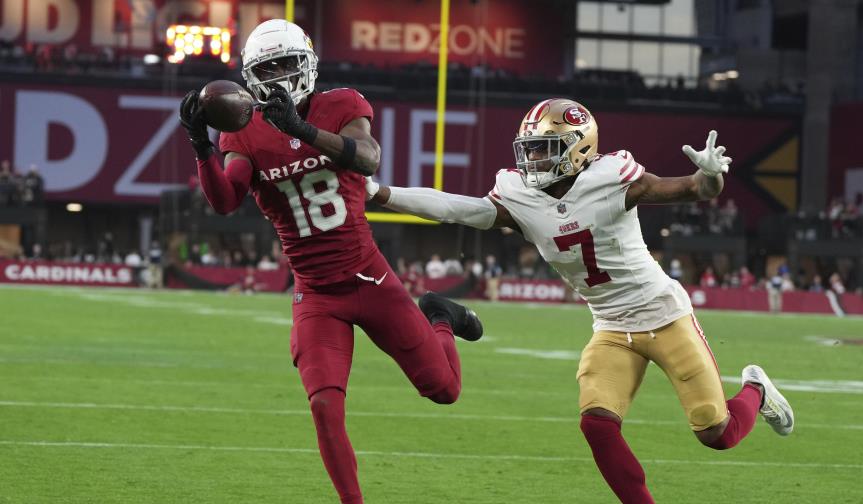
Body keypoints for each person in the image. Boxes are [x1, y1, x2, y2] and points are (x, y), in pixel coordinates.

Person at [367, 98, 794, 503]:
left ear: (579, 148)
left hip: (664, 316)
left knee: (715, 432)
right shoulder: (521, 195)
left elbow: (694, 189)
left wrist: (712, 175)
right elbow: (456, 208)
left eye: (544, 149)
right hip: (610, 326)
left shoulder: (612, 178)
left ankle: (756, 388)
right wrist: (382, 193)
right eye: (529, 149)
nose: (531, 159)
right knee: (597, 425)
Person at [177, 19, 482, 504]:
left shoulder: (340, 104)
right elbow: (225, 200)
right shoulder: (246, 133)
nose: (277, 76)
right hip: (317, 292)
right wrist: (201, 147)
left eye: (285, 64)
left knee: (443, 390)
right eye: (267, 68)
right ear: (250, 75)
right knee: (323, 404)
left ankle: (440, 317)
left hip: (370, 277)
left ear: (307, 65)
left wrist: (303, 130)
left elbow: (367, 158)